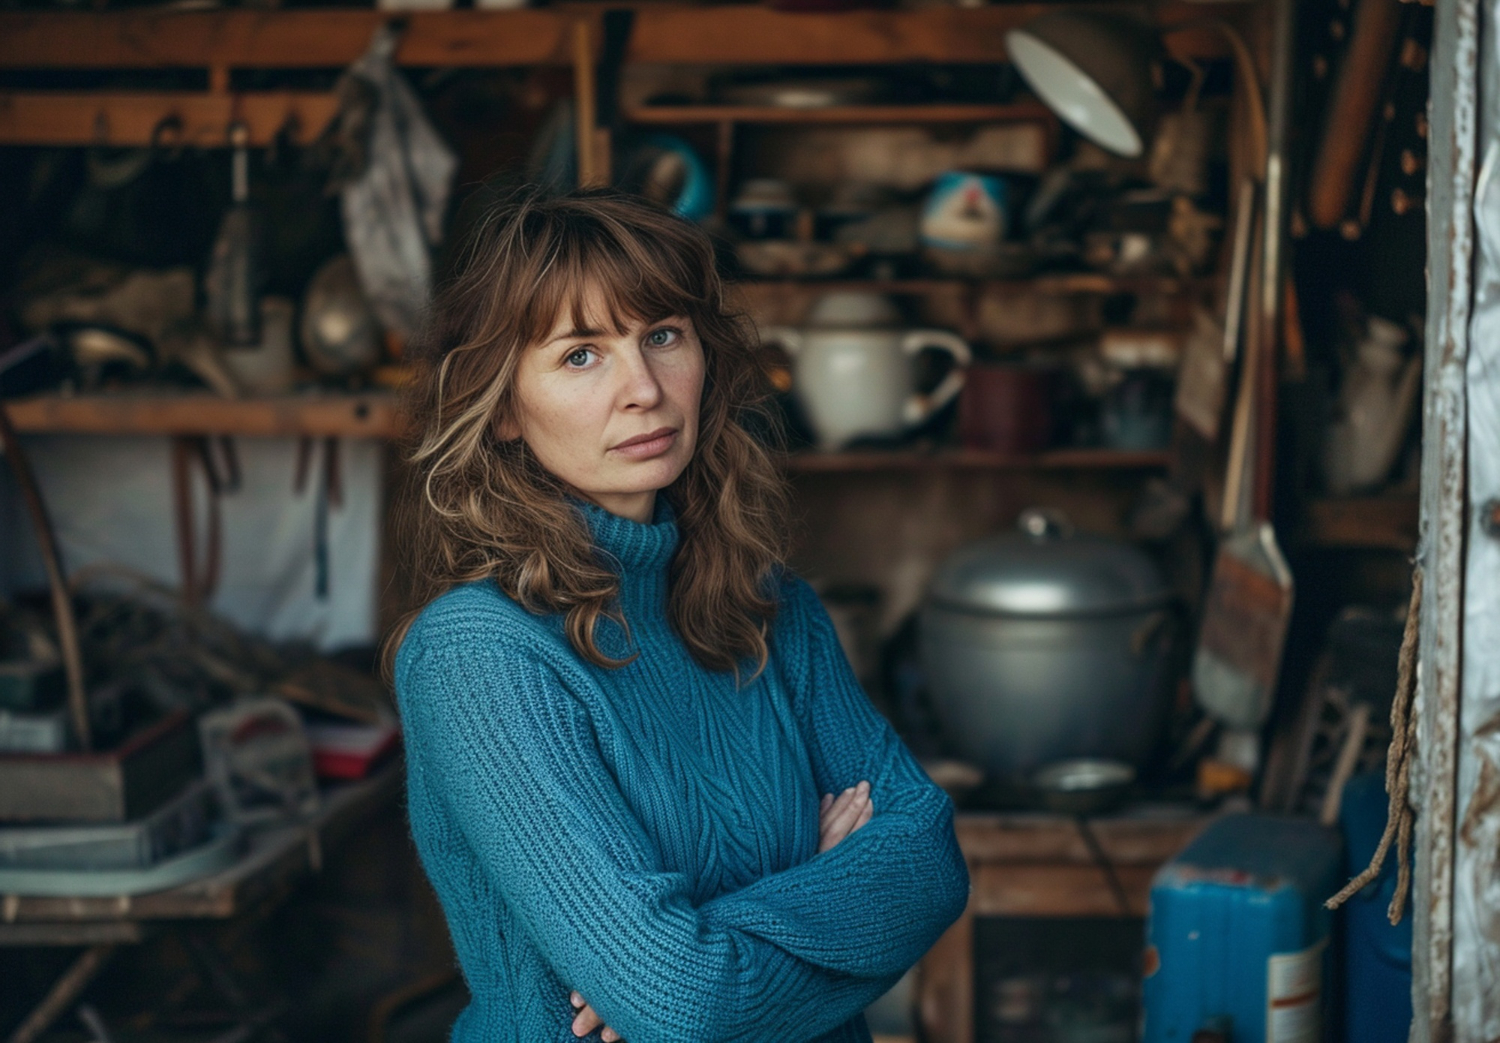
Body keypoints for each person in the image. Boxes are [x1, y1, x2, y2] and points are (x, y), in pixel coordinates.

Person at [386, 188, 969, 1043]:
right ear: (504, 407)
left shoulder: (772, 609)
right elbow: (683, 998)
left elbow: (930, 859)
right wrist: (824, 879)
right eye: (581, 355)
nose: (644, 389)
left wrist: (711, 939)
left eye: (662, 336)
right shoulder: (479, 657)